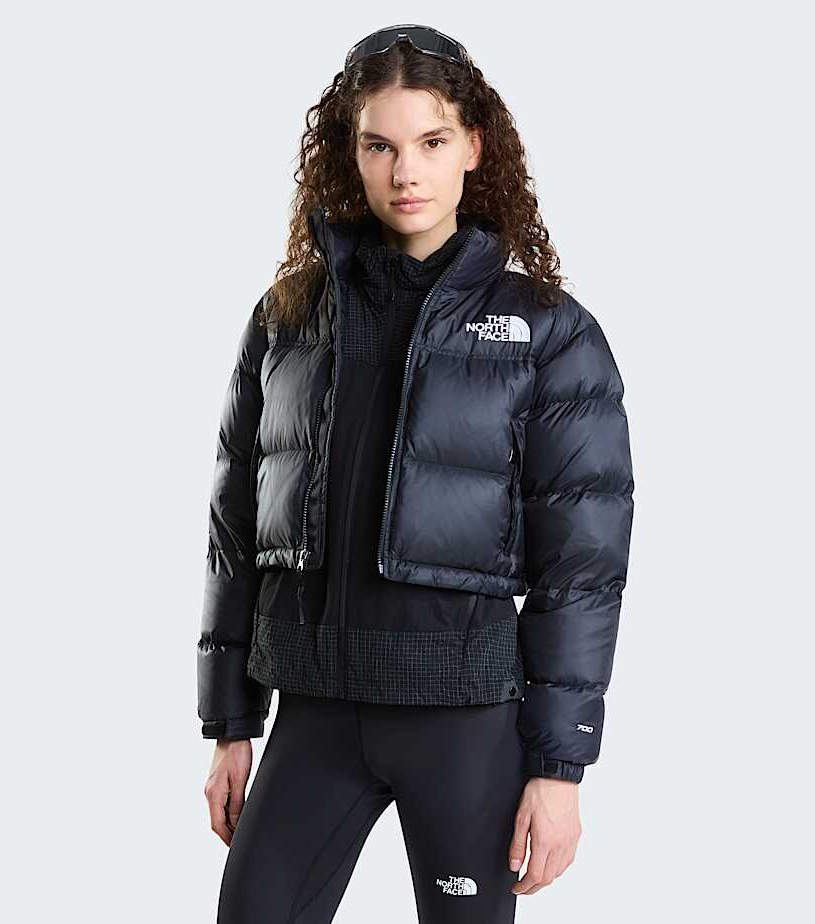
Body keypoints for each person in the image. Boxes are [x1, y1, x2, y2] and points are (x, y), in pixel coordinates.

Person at [195, 23, 634, 924]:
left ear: (474, 145)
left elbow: (583, 568)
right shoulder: (288, 320)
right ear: (348, 154)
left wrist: (560, 768)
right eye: (380, 146)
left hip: (464, 722)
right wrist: (230, 723)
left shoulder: (548, 332)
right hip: (313, 713)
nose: (406, 173)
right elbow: (234, 529)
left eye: (432, 142)